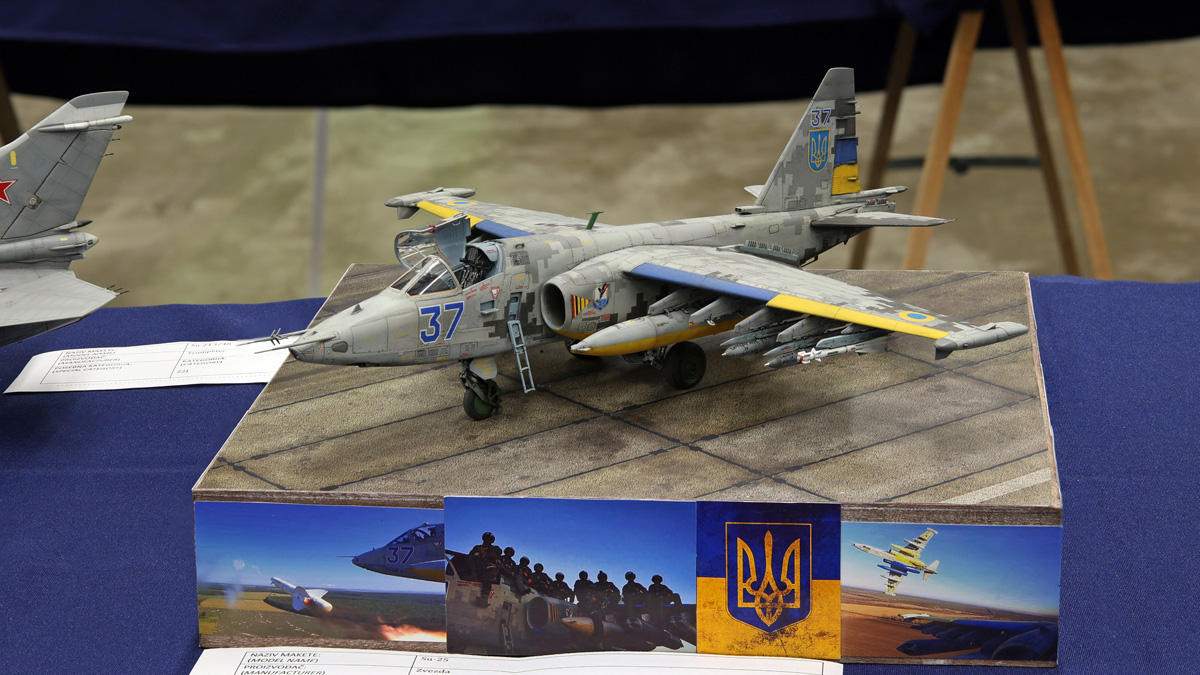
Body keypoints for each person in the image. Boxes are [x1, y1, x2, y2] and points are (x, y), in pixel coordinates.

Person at [467, 532, 502, 606]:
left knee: (488, 578)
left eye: (489, 540)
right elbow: (470, 557)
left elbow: (498, 553)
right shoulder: (477, 548)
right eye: (487, 539)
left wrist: (487, 552)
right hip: (477, 569)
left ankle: (483, 600)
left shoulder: (494, 549)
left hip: (489, 570)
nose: (487, 541)